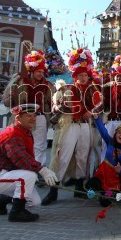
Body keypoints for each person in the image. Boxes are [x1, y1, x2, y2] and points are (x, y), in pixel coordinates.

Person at [42, 48, 99, 205]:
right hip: (70, 125)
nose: (83, 77)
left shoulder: (92, 89)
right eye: (80, 75)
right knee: (63, 156)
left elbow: (98, 106)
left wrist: (90, 112)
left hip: (85, 125)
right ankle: (53, 189)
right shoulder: (66, 89)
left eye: (85, 75)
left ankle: (79, 187)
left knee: (83, 155)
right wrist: (64, 107)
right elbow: (55, 107)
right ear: (75, 76)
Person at [0, 104, 58, 222]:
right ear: (18, 118)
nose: (33, 118)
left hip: (7, 175)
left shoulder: (24, 131)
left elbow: (24, 159)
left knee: (34, 202)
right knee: (28, 176)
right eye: (28, 116)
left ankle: (2, 198)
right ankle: (17, 212)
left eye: (34, 115)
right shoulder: (12, 133)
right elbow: (20, 158)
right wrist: (42, 170)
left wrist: (38, 171)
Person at [2, 47, 55, 167]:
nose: (41, 74)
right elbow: (7, 103)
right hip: (22, 117)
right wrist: (11, 97)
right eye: (38, 72)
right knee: (20, 143)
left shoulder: (47, 85)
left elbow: (50, 103)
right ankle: (19, 166)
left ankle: (38, 168)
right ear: (31, 71)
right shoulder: (19, 82)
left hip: (39, 116)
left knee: (40, 145)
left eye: (42, 72)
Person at [85, 113, 121, 206]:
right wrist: (96, 117)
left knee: (106, 201)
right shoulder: (110, 142)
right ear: (115, 134)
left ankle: (105, 194)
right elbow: (103, 131)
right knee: (90, 184)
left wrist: (120, 169)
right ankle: (100, 190)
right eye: (119, 133)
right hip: (103, 172)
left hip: (114, 177)